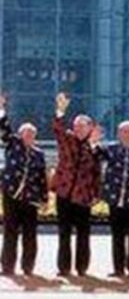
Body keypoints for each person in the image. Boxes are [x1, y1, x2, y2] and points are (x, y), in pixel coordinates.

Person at [52, 92, 101, 277]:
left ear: (90, 128)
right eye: (77, 126)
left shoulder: (94, 146)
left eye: (83, 126)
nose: (79, 129)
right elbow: (57, 128)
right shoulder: (67, 140)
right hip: (64, 194)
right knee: (64, 234)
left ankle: (82, 268)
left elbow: (97, 173)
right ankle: (64, 268)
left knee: (83, 234)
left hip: (83, 196)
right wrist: (60, 110)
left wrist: (96, 194)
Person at [95, 120, 129, 278]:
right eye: (123, 131)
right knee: (117, 236)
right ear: (118, 134)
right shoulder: (111, 149)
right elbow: (94, 154)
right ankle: (118, 268)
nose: (126, 134)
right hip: (115, 199)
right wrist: (95, 140)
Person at [0, 95, 47, 276]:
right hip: (11, 195)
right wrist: (2, 109)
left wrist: (43, 199)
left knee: (30, 234)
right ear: (20, 135)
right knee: (10, 232)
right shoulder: (12, 144)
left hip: (31, 199)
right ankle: (7, 267)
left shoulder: (39, 154)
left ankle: (28, 267)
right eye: (25, 134)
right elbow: (4, 129)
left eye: (32, 134)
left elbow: (42, 178)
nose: (28, 136)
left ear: (35, 136)